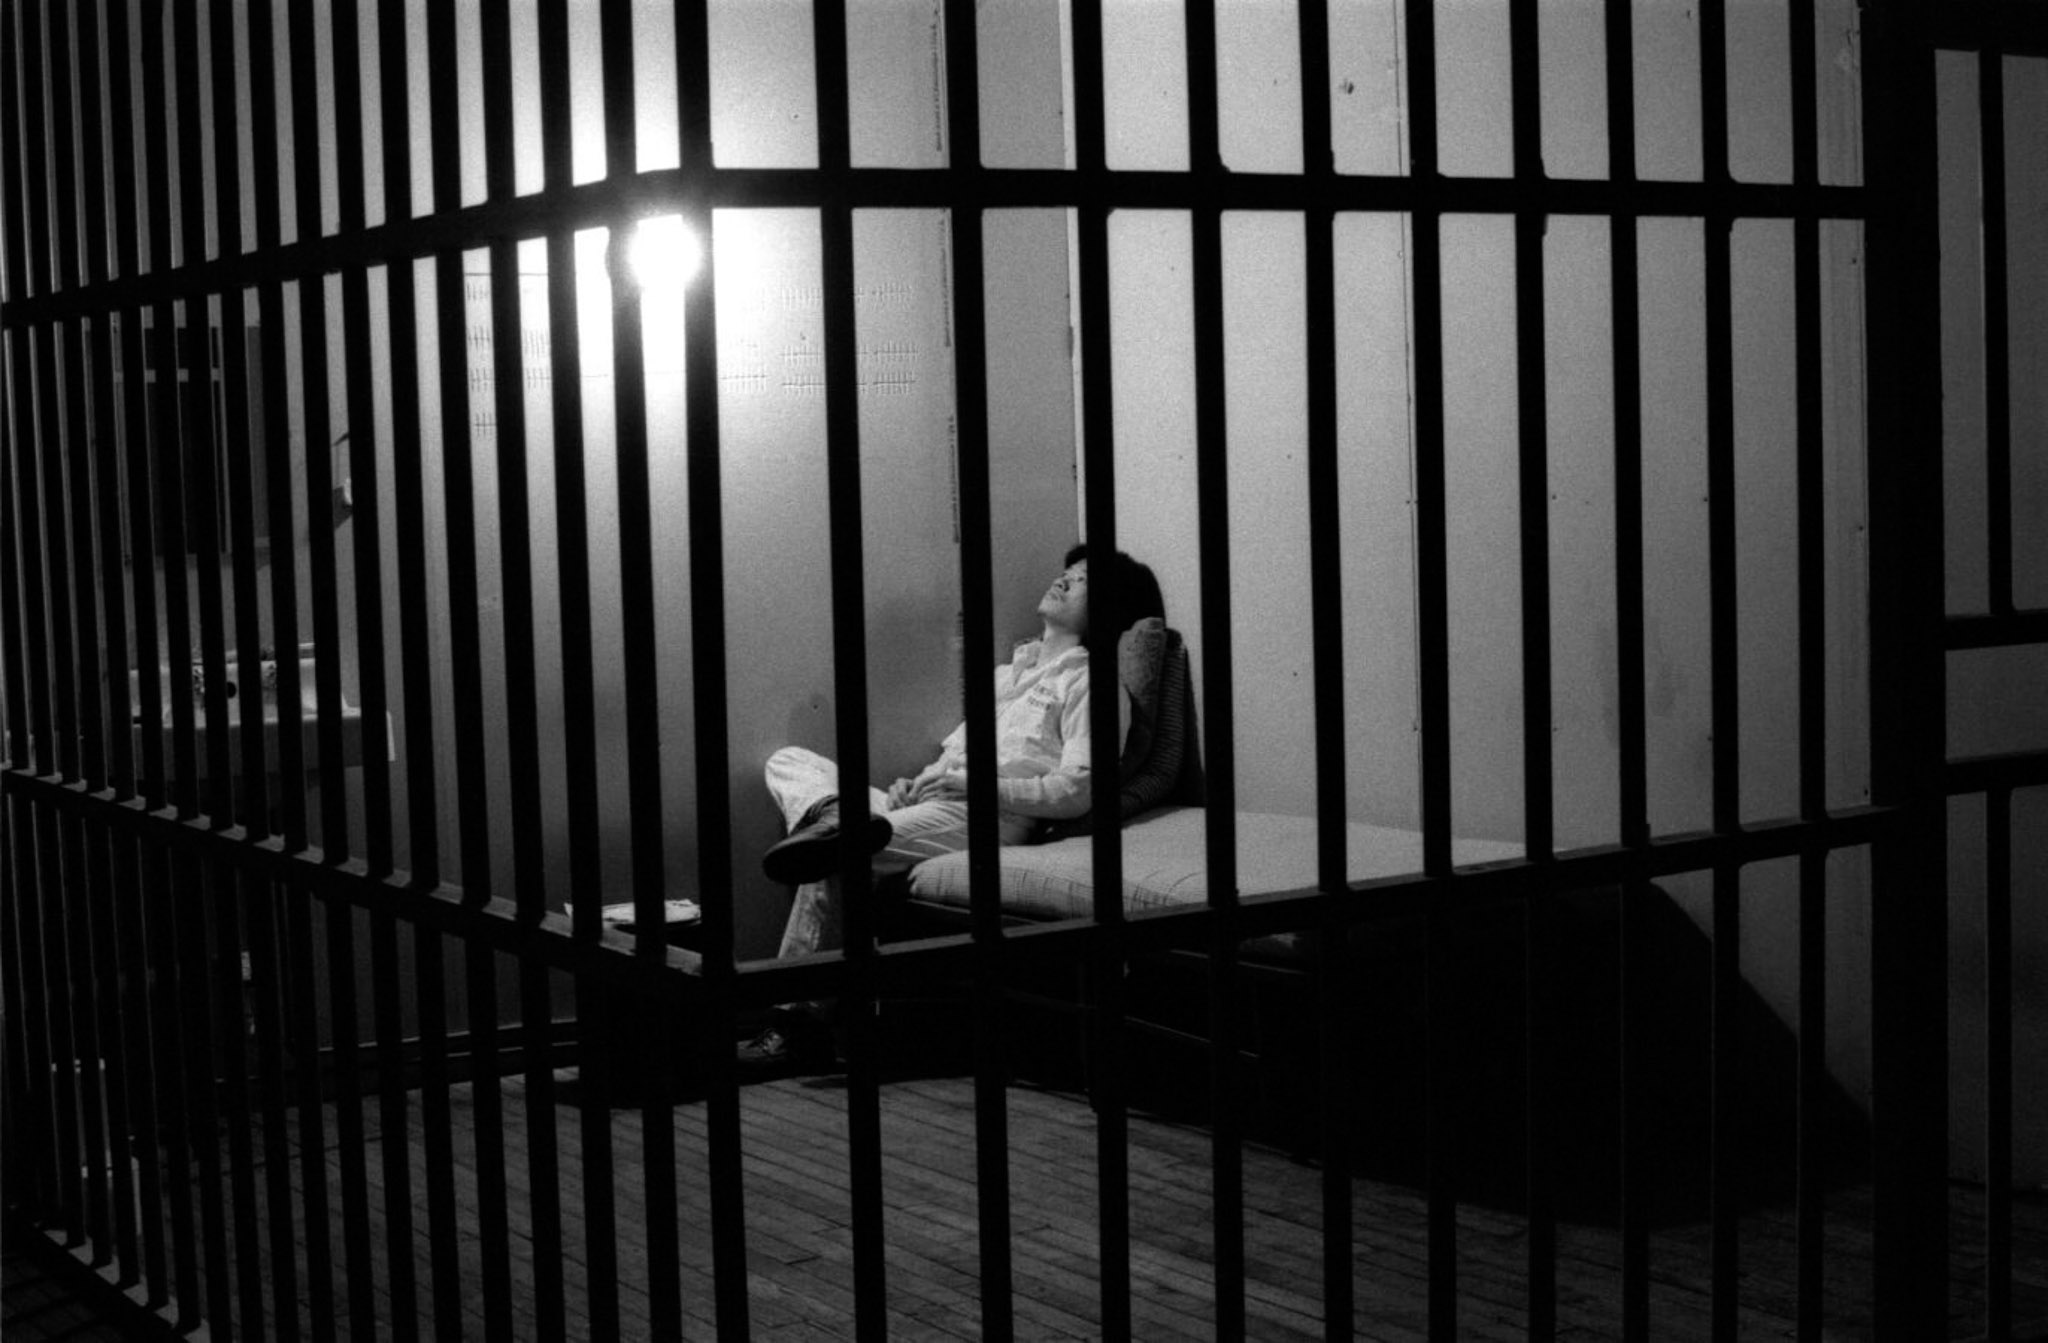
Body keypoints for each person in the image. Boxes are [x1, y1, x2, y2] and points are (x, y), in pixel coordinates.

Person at [741, 543, 1166, 1073]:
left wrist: (976, 788)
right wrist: (907, 787)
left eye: (1081, 580)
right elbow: (949, 758)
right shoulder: (1003, 678)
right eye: (1067, 572)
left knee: (839, 854)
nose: (1063, 580)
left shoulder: (1092, 684)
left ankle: (795, 1024)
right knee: (790, 760)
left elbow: (1080, 788)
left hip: (985, 817)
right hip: (929, 805)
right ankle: (836, 816)